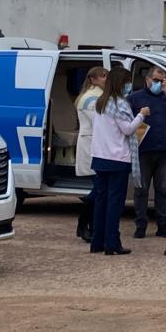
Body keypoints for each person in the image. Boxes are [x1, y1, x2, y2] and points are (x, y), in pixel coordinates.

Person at [89, 65, 146, 255]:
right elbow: (128, 129)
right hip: (117, 158)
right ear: (121, 83)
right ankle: (112, 243)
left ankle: (97, 241)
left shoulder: (100, 102)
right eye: (128, 82)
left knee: (101, 201)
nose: (130, 85)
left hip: (100, 156)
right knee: (115, 204)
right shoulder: (120, 103)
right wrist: (141, 115)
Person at [126, 67, 166, 239]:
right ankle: (141, 224)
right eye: (155, 80)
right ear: (147, 80)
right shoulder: (135, 98)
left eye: (161, 81)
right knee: (141, 189)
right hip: (143, 151)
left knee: (163, 189)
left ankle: (162, 224)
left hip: (164, 151)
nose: (158, 84)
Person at [73, 66, 108, 243]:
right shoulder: (90, 99)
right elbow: (99, 123)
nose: (105, 79)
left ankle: (88, 225)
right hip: (92, 145)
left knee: (99, 188)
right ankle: (84, 224)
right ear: (93, 79)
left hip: (97, 144)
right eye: (102, 77)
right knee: (99, 189)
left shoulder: (97, 96)